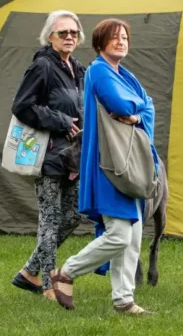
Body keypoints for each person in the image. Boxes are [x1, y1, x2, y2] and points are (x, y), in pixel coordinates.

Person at [49, 18, 157, 315]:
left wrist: (137, 115)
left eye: (124, 37)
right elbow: (121, 105)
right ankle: (66, 272)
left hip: (130, 164)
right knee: (119, 234)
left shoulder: (126, 75)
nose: (121, 41)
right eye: (114, 37)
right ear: (100, 43)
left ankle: (124, 300)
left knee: (132, 235)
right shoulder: (99, 71)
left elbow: (148, 106)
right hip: (109, 166)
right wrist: (138, 109)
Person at [9, 11, 87, 297]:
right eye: (62, 32)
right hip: (47, 153)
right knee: (51, 219)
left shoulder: (77, 68)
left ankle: (29, 271)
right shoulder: (42, 66)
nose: (68, 37)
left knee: (74, 215)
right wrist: (61, 121)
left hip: (73, 155)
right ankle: (47, 283)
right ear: (49, 36)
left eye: (73, 33)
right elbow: (22, 106)